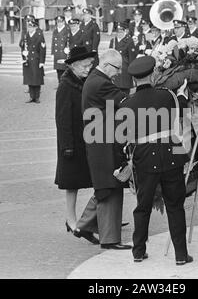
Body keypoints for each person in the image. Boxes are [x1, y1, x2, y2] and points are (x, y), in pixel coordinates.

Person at [120, 55, 193, 265]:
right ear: (152, 74)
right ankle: (180, 255)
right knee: (175, 206)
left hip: (144, 159)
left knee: (142, 207)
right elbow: (181, 109)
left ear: (134, 80)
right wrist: (183, 94)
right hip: (172, 155)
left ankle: (138, 251)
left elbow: (123, 136)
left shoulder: (127, 104)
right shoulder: (167, 95)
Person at [76, 49, 131, 250]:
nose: (118, 73)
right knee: (110, 186)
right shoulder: (101, 83)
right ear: (107, 65)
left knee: (106, 185)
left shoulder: (96, 79)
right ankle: (109, 239)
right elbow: (126, 102)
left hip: (101, 140)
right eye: (116, 69)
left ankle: (84, 226)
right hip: (103, 142)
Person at [55, 46, 96, 234]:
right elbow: (62, 119)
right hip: (72, 142)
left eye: (90, 65)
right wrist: (67, 146)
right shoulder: (66, 85)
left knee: (96, 180)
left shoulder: (84, 80)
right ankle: (70, 219)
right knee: (72, 185)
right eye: (86, 66)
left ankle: (97, 217)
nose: (89, 69)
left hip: (87, 138)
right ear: (74, 65)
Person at [20, 19, 46, 103]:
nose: (30, 29)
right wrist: (23, 54)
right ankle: (31, 97)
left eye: (31, 27)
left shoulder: (39, 35)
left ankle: (37, 97)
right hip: (28, 59)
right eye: (29, 27)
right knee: (29, 78)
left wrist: (42, 62)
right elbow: (22, 46)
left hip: (36, 59)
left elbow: (42, 50)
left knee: (36, 79)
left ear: (35, 27)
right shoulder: (25, 36)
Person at [109, 21, 132, 90]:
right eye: (118, 31)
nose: (120, 33)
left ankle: (124, 100)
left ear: (125, 31)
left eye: (121, 31)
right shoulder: (113, 41)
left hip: (124, 69)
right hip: (113, 69)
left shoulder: (129, 41)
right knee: (111, 93)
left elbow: (131, 57)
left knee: (124, 90)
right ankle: (110, 102)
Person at [52, 16, 70, 83]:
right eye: (58, 22)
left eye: (61, 22)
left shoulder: (67, 30)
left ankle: (64, 85)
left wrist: (68, 50)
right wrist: (52, 52)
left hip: (63, 53)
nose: (59, 24)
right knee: (58, 70)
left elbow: (69, 41)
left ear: (64, 22)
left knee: (64, 70)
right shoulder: (55, 30)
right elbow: (53, 42)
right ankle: (60, 84)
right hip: (57, 54)